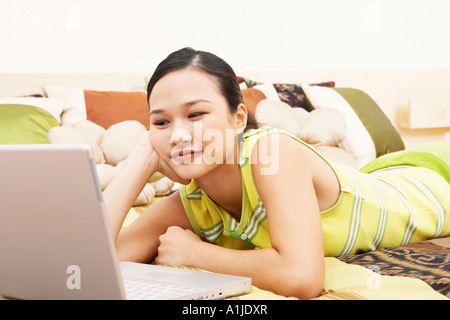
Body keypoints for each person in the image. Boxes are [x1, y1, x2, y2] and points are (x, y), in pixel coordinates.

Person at [103, 47, 450, 299]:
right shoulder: (191, 202)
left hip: (428, 183)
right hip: (377, 176)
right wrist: (139, 160)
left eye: (195, 115)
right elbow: (88, 262)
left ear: (238, 119)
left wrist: (196, 255)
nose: (177, 134)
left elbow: (301, 278)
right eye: (161, 122)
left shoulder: (273, 152)